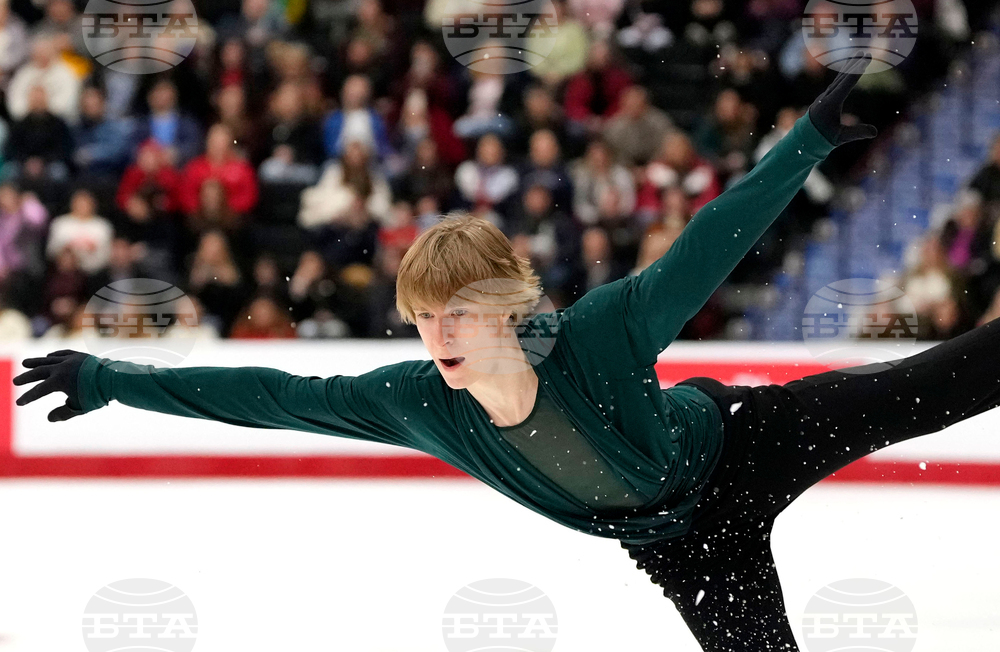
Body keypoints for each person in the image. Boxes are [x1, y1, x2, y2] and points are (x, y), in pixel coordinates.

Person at [18, 54, 991, 651]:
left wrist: (808, 139)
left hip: (746, 437)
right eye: (422, 318)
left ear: (507, 309)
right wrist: (109, 375)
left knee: (947, 379)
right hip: (683, 546)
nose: (437, 336)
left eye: (457, 315)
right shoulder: (420, 402)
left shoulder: (599, 333)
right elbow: (275, 392)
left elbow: (710, 240)